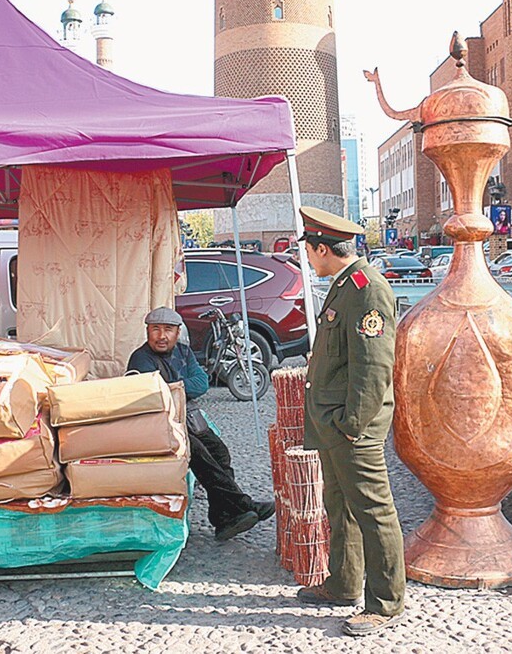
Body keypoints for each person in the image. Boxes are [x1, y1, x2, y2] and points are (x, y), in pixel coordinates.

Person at [295, 206, 406, 637]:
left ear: (323, 248)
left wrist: (351, 424)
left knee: (373, 510)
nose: (307, 257)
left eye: (309, 250)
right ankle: (343, 583)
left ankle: (385, 602)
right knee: (339, 506)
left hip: (350, 425)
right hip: (335, 422)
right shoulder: (344, 286)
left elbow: (373, 367)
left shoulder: (366, 289)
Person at [127, 307, 274, 541]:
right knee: (201, 457)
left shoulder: (184, 352)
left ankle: (223, 517)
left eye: (168, 330)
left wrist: (174, 386)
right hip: (161, 423)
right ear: (147, 332)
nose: (161, 336)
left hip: (190, 417)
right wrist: (178, 387)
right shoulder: (141, 358)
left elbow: (202, 383)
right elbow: (153, 395)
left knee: (220, 454)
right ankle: (242, 505)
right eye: (155, 329)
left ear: (177, 333)